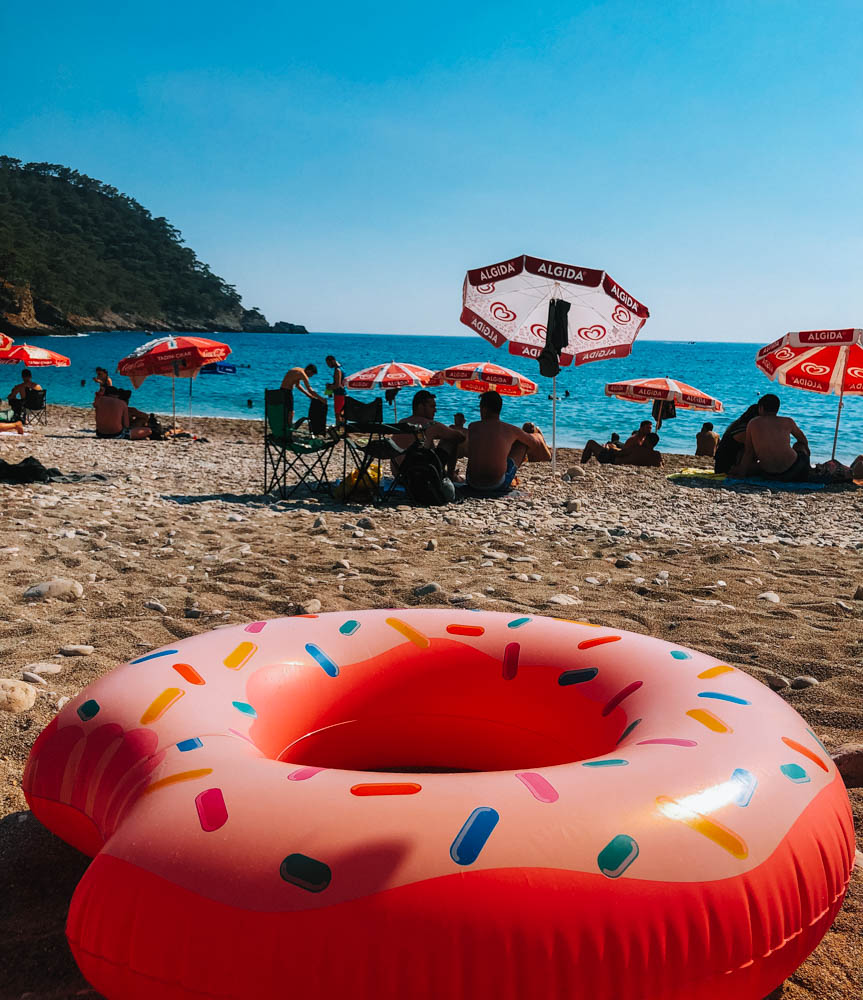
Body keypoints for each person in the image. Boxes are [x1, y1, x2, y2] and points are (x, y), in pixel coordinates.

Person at [465, 390, 550, 492]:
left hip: (472, 482)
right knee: (523, 443)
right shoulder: (509, 429)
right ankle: (546, 450)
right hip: (496, 485)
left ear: (484, 409)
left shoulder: (472, 426)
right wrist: (538, 436)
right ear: (499, 409)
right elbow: (533, 443)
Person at [731, 393, 810, 481]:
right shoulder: (788, 421)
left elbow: (749, 452)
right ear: (777, 408)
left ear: (761, 408)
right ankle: (809, 471)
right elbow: (803, 440)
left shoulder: (753, 423)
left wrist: (741, 475)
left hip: (770, 474)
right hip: (793, 470)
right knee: (799, 445)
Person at [391, 389, 465, 478]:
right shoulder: (430, 425)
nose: (435, 410)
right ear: (421, 407)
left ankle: (447, 474)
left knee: (427, 446)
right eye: (432, 406)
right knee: (451, 440)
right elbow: (460, 437)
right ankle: (451, 475)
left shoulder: (402, 422)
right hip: (418, 477)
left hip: (399, 476)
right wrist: (454, 429)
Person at [714, 404, 759, 474]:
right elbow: (750, 452)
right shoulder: (744, 431)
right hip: (726, 468)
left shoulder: (738, 425)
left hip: (721, 465)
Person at [582, 432, 663, 468]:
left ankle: (582, 464)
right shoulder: (657, 455)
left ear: (646, 440)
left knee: (591, 443)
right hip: (620, 460)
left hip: (612, 460)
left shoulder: (637, 449)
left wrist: (610, 448)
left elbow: (619, 453)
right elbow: (660, 465)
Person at [325, 355, 346, 425]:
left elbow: (337, 385)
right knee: (342, 413)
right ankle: (343, 429)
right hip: (342, 393)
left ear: (333, 361)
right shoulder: (341, 367)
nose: (328, 366)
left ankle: (338, 429)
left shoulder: (337, 370)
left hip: (339, 394)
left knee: (337, 414)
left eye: (328, 364)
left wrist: (329, 387)